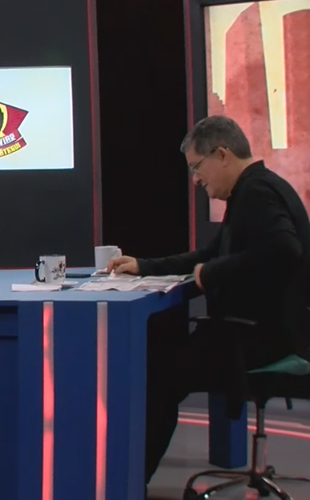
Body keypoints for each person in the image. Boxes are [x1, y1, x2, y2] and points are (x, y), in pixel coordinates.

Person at [106, 115, 310, 487]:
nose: (196, 179)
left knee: (158, 375)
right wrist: (145, 266)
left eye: (197, 167)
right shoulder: (254, 189)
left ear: (222, 155)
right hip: (266, 333)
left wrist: (215, 273)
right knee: (164, 362)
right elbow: (209, 255)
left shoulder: (257, 194)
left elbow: (284, 248)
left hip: (258, 339)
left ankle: (128, 485)